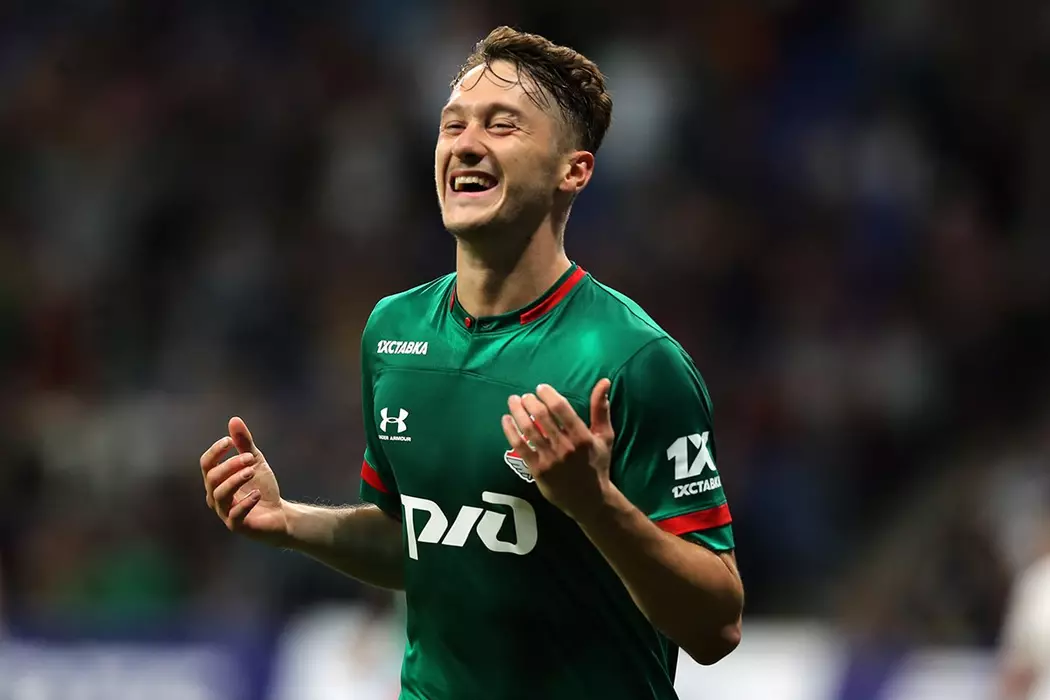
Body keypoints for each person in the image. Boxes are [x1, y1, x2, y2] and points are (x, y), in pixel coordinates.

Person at [198, 26, 743, 699]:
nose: (466, 143)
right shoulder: (393, 332)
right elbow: (421, 544)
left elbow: (717, 627)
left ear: (573, 170)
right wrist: (289, 523)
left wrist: (596, 505)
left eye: (501, 124)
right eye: (453, 124)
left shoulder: (633, 361)